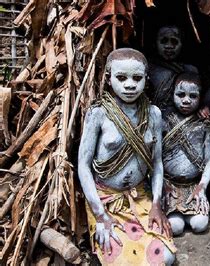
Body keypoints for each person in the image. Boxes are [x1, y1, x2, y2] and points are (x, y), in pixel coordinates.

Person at [78, 48, 175, 265]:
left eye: (137, 78)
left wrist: (156, 204)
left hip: (140, 197)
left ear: (146, 80)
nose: (130, 85)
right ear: (109, 79)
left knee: (165, 257)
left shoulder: (153, 114)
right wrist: (100, 214)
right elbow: (83, 167)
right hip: (106, 202)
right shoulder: (98, 114)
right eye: (121, 78)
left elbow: (157, 163)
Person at [162, 72, 210, 235]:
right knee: (175, 227)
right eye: (180, 94)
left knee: (199, 225)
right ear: (171, 95)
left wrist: (202, 186)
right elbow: (153, 159)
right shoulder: (163, 119)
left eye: (193, 96)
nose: (186, 100)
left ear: (201, 98)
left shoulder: (203, 123)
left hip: (194, 185)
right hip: (170, 186)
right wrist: (162, 185)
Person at [148, 25, 198, 113]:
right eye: (164, 41)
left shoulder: (190, 70)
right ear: (155, 43)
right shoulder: (148, 69)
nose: (169, 46)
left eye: (174, 41)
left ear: (182, 44)